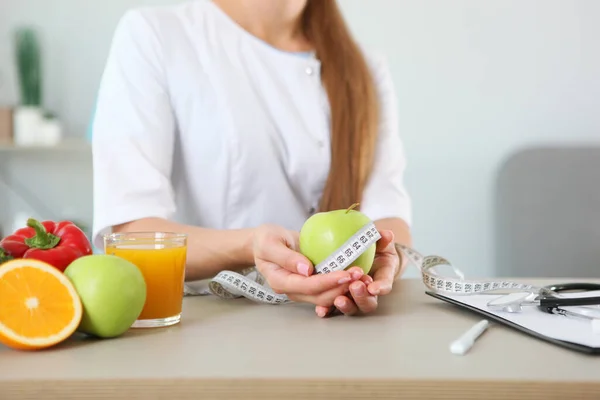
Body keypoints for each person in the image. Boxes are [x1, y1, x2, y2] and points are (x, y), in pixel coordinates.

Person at [91, 0, 413, 318]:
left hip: (331, 328)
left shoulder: (363, 68)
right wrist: (251, 246)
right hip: (202, 327)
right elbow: (132, 234)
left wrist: (380, 266)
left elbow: (388, 215)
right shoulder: (157, 35)